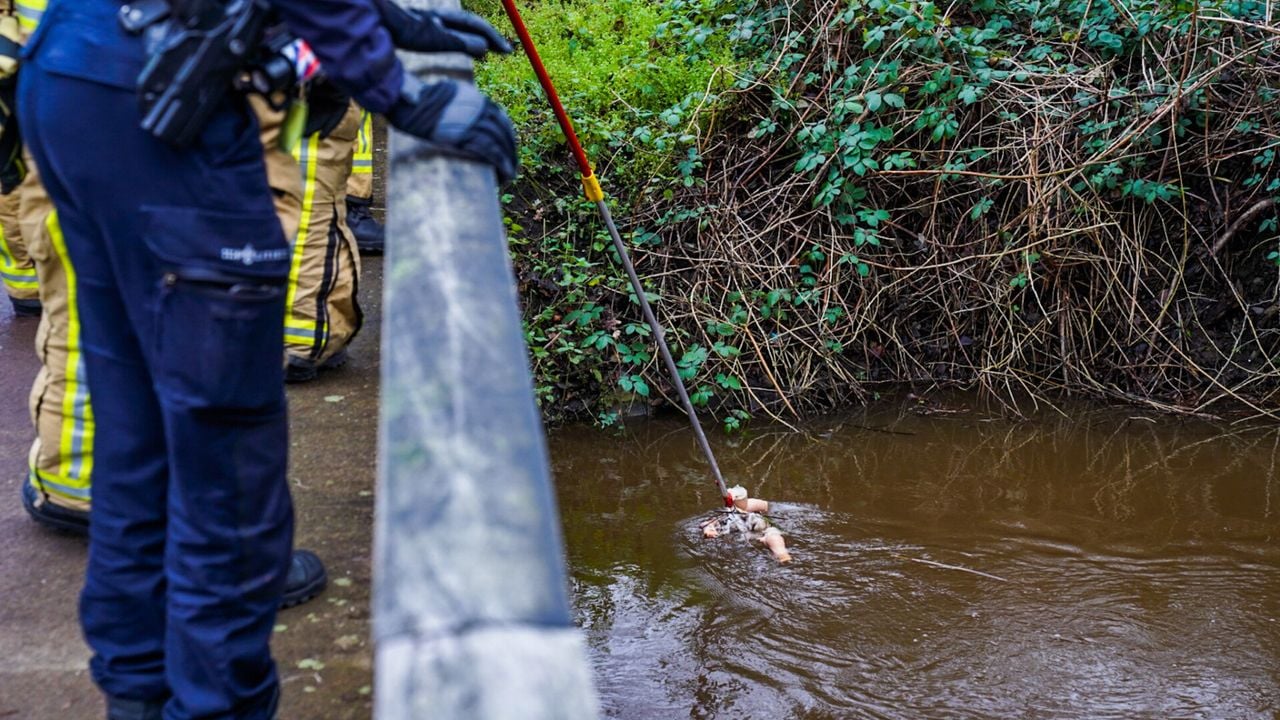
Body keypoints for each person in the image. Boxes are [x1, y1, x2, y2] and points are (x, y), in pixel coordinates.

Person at [16, 1, 515, 718]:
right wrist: (400, 89)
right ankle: (215, 706)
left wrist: (381, 19)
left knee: (134, 442)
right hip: (164, 104)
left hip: (75, 75)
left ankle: (137, 699)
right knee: (229, 479)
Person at [701, 485, 792, 563]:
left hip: (764, 529)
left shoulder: (752, 504)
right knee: (771, 537)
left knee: (774, 538)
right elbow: (708, 523)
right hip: (744, 534)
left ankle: (782, 554)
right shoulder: (726, 514)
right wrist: (709, 530)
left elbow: (769, 506)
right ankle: (779, 552)